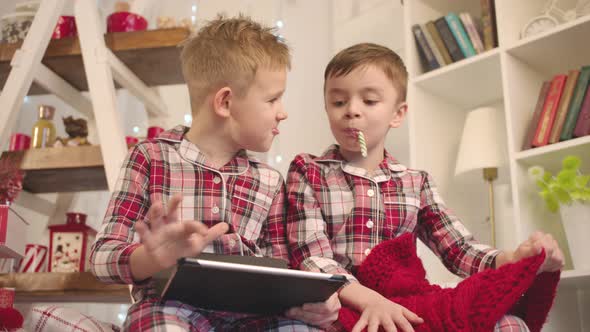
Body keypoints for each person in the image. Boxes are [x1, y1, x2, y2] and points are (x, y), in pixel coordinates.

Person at [285, 43, 565, 332]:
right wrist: (370, 301)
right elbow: (312, 257)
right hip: (344, 308)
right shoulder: (308, 171)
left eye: (369, 101)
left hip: (409, 304)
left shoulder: (416, 182)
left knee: (509, 324)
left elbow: (458, 249)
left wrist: (513, 259)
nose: (351, 111)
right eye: (338, 101)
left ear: (398, 113)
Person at [90, 15, 339, 331]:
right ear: (225, 102)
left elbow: (280, 267)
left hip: (252, 320)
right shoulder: (149, 157)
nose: (283, 111)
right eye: (273, 98)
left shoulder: (270, 181)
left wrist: (305, 306)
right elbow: (101, 259)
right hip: (171, 311)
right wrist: (152, 258)